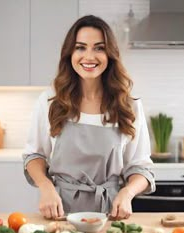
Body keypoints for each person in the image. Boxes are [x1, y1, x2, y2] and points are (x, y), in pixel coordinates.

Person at [23, 15, 155, 220]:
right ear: (70, 53)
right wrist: (46, 187)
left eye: (99, 48)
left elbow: (140, 167)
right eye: (81, 47)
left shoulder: (128, 106)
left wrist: (127, 193)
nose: (89, 56)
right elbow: (34, 155)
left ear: (110, 54)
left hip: (110, 216)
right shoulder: (50, 100)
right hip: (59, 215)